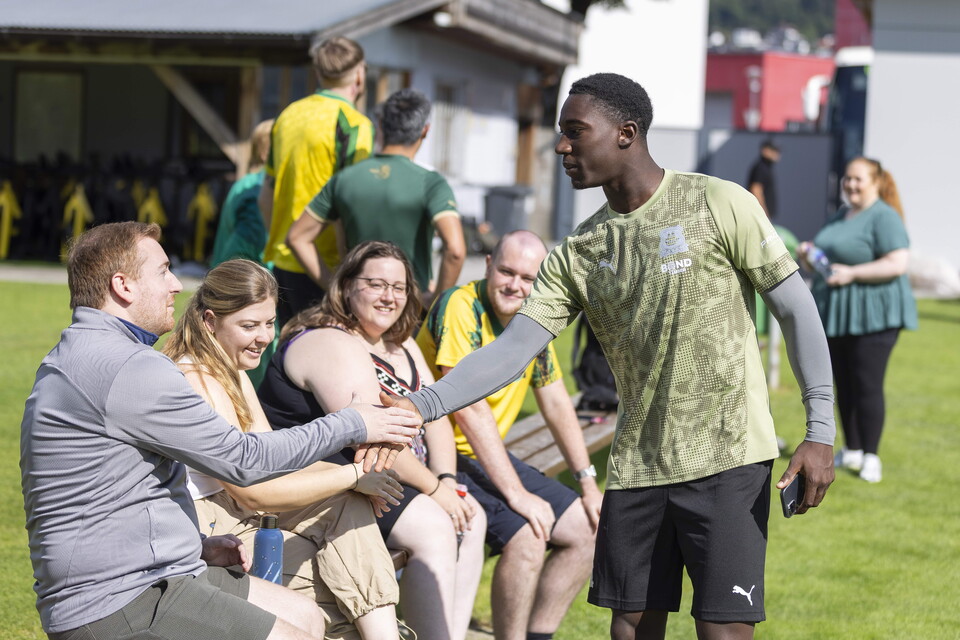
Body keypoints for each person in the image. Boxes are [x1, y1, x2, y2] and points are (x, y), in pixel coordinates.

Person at [389, 73, 838, 640]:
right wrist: (419, 406)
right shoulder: (578, 252)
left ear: (626, 133)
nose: (561, 146)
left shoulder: (719, 202)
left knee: (722, 632)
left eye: (575, 132)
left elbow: (796, 310)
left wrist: (820, 430)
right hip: (637, 467)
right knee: (628, 630)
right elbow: (511, 351)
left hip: (728, 459)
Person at [20, 221, 420, 640]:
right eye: (163, 271)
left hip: (152, 576)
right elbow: (247, 461)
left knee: (307, 617)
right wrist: (353, 422)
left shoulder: (81, 354)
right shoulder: (127, 367)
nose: (177, 285)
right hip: (120, 600)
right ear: (123, 286)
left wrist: (195, 545)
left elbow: (106, 494)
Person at [162, 258, 407, 640]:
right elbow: (252, 489)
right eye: (249, 325)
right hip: (212, 529)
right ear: (210, 321)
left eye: (269, 323)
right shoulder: (196, 377)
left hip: (239, 512)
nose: (264, 336)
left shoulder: (230, 369)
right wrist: (353, 475)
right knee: (333, 594)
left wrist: (358, 478)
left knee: (348, 507)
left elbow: (274, 459)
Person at [258, 241, 486, 640]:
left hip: (382, 476)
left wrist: (447, 480)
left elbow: (435, 418)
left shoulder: (402, 342)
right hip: (325, 481)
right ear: (347, 286)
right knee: (435, 526)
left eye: (398, 287)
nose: (389, 296)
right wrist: (435, 491)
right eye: (376, 284)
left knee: (470, 514)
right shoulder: (329, 342)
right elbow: (373, 436)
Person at [416, 229, 601, 640]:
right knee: (529, 536)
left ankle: (538, 636)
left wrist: (588, 483)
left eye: (528, 278)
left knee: (589, 528)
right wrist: (517, 494)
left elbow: (556, 403)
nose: (515, 285)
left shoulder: (531, 321)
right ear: (487, 266)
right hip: (435, 457)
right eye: (506, 272)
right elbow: (468, 407)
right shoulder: (460, 305)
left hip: (485, 453)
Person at [287, 88, 465, 308]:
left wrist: (336, 287)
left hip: (357, 307)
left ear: (380, 124)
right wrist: (436, 302)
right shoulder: (430, 183)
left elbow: (296, 238)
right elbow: (455, 251)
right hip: (407, 308)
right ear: (425, 130)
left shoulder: (344, 179)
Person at [799, 157, 917, 484]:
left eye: (858, 179)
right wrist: (809, 258)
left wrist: (852, 273)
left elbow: (897, 263)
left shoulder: (884, 216)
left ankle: (871, 456)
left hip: (873, 317)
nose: (850, 184)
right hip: (837, 314)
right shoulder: (841, 214)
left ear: (876, 182)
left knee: (867, 385)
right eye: (847, 178)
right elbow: (826, 260)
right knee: (843, 383)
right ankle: (851, 449)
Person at [259, 36, 373, 329]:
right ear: (359, 74)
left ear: (318, 73)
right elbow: (350, 204)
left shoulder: (287, 116)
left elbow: (266, 194)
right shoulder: (355, 124)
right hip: (326, 267)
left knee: (288, 348)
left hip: (284, 262)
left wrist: (278, 240)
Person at [211, 119, 275, 268]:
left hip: (223, 272)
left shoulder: (246, 183)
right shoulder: (257, 188)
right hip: (243, 277)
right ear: (265, 153)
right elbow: (240, 252)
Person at [747, 139, 780, 219]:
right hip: (760, 216)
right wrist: (763, 213)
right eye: (773, 150)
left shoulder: (765, 167)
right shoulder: (761, 168)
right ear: (765, 150)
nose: (777, 153)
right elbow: (756, 190)